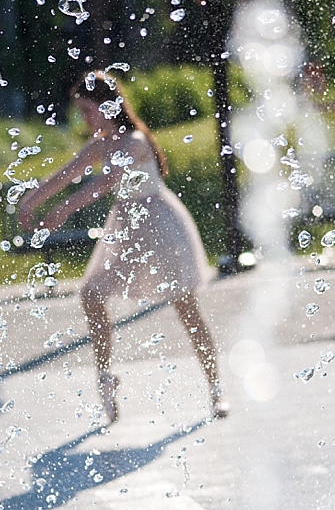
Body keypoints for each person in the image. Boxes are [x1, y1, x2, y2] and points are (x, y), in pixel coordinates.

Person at [18, 71, 229, 423]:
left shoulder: (135, 141)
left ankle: (216, 388)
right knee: (92, 294)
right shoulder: (101, 144)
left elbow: (102, 184)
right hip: (127, 229)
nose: (84, 118)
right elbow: (66, 175)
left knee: (186, 308)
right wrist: (30, 201)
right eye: (80, 112)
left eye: (88, 110)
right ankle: (105, 377)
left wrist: (61, 211)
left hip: (160, 226)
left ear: (107, 106)